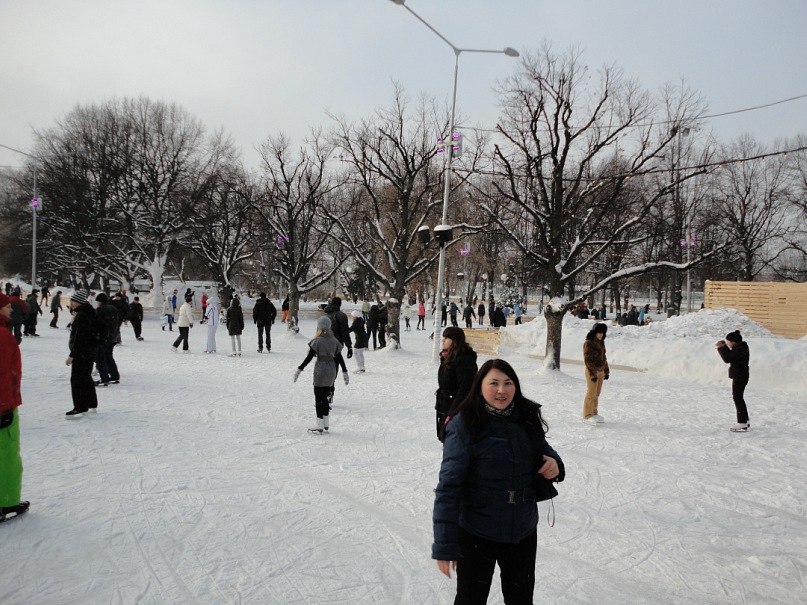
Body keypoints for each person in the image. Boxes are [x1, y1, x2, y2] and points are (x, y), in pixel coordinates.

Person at [432, 358, 565, 603]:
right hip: (477, 531)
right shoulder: (465, 425)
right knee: (471, 599)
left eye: (508, 383)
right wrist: (444, 544)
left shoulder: (526, 417)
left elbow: (544, 449)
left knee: (521, 599)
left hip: (522, 530)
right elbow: (448, 488)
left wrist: (555, 463)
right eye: (494, 383)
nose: (502, 390)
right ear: (480, 385)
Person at [0, 293, 29, 522]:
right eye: (8, 307)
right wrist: (5, 406)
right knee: (7, 454)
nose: (11, 310)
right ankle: (6, 502)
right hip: (3, 404)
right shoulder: (2, 336)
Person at [293, 316, 348, 434]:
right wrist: (344, 371)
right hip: (331, 370)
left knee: (319, 398)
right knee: (325, 396)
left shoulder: (317, 341)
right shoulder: (334, 341)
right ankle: (326, 423)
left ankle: (319, 424)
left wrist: (299, 369)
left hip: (320, 370)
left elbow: (308, 358)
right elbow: (340, 358)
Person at [435, 326, 478, 442]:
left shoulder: (464, 360)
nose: (443, 340)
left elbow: (466, 389)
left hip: (457, 411)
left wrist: (452, 413)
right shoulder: (448, 357)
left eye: (446, 338)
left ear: (454, 340)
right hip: (446, 406)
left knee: (455, 442)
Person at [65, 290, 99, 417]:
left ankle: (80, 406)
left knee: (77, 379)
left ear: (78, 302)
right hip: (89, 351)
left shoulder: (81, 316)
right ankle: (91, 403)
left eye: (72, 301)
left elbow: (80, 337)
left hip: (82, 352)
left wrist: (72, 355)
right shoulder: (89, 312)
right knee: (86, 377)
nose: (71, 303)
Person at [716, 330, 751, 432]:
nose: (727, 344)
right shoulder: (740, 347)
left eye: (728, 342)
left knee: (737, 398)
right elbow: (731, 355)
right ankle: (745, 421)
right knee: (739, 397)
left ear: (733, 342)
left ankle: (742, 423)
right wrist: (724, 347)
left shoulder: (740, 349)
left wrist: (721, 347)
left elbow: (727, 358)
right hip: (741, 375)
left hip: (740, 376)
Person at [582, 322, 609, 424]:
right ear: (595, 332)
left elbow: (604, 358)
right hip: (592, 371)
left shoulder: (601, 342)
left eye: (603, 333)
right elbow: (587, 360)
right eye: (599, 332)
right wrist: (593, 374)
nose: (601, 335)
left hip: (600, 371)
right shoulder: (589, 343)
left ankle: (594, 412)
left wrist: (606, 371)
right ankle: (587, 415)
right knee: (591, 392)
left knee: (597, 393)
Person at [94, 293, 121, 386]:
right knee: (109, 356)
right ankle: (114, 376)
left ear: (100, 301)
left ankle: (104, 378)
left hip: (103, 338)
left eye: (97, 301)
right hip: (113, 336)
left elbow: (97, 324)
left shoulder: (99, 311)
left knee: (100, 358)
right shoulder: (114, 309)